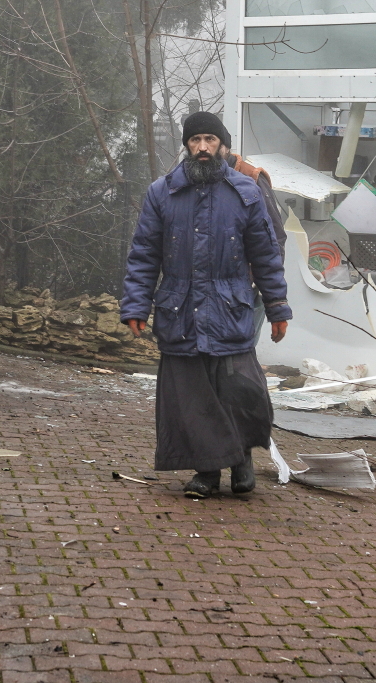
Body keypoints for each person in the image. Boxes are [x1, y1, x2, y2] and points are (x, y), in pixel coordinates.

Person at [120, 111, 293, 499]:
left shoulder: (245, 193)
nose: (202, 148)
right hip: (179, 311)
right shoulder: (162, 192)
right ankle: (207, 472)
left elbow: (266, 256)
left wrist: (278, 307)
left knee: (242, 392)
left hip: (231, 309)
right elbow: (144, 254)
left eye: (210, 141)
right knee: (193, 398)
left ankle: (243, 457)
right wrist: (135, 305)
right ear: (186, 145)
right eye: (195, 140)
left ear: (223, 146)